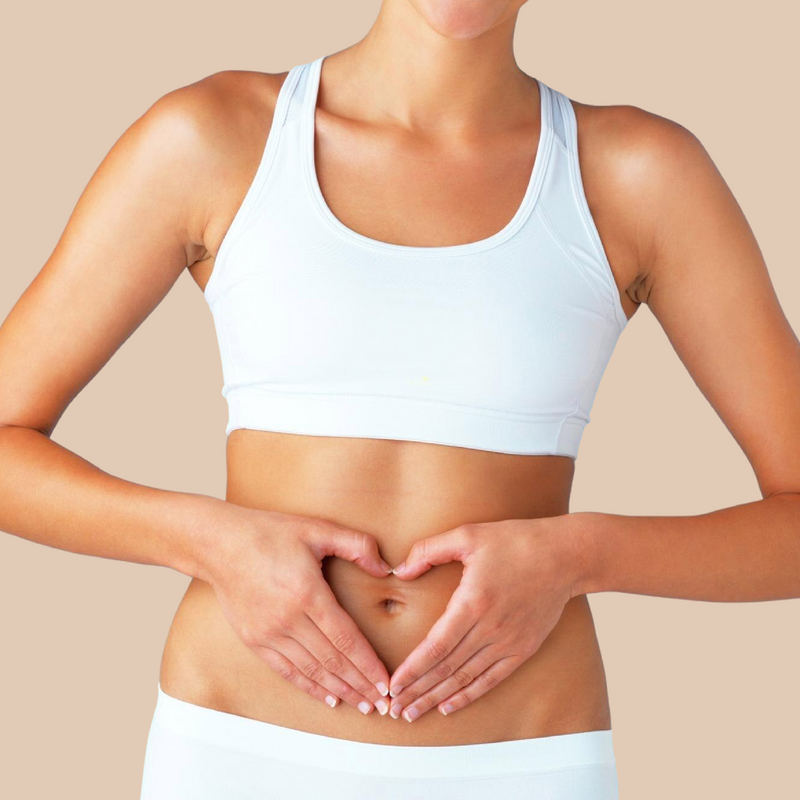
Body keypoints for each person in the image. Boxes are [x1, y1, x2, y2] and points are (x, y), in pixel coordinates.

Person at [2, 1, 799, 798]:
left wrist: (579, 556)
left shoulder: (639, 173)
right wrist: (209, 542)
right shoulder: (213, 138)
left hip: (521, 761)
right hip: (235, 748)